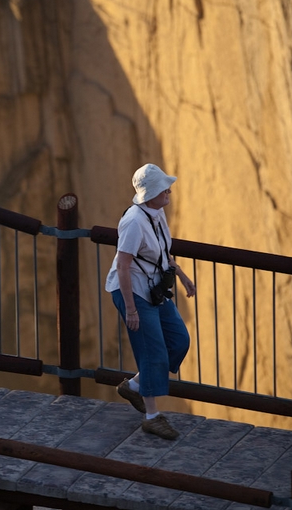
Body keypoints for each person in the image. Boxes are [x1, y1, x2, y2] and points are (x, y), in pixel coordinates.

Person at [105, 163, 196, 439]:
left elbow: (160, 254)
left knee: (179, 340)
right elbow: (123, 266)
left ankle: (134, 387)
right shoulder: (134, 221)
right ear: (149, 194)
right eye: (162, 188)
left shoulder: (157, 213)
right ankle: (152, 417)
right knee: (153, 352)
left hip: (153, 288)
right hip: (131, 291)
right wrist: (131, 309)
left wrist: (181, 275)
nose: (168, 191)